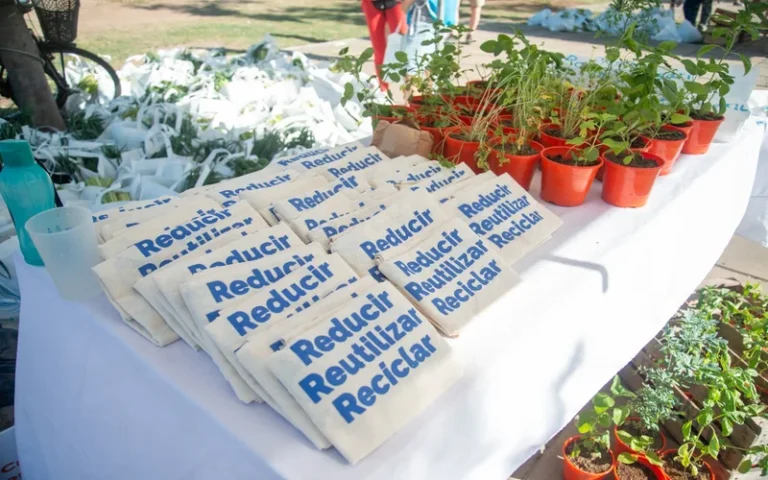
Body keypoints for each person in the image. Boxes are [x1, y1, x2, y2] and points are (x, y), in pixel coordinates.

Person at [362, 0, 408, 91]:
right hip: (372, 3)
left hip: (397, 3)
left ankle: (409, 93)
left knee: (404, 48)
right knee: (379, 50)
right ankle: (384, 92)